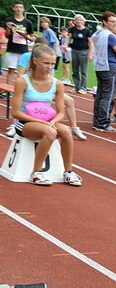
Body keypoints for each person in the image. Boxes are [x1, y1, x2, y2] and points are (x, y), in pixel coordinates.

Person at [10, 45, 81, 186]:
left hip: (48, 121)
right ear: (35, 61)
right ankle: (36, 172)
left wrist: (53, 121)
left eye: (53, 64)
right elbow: (16, 112)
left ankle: (68, 171)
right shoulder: (22, 81)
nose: (50, 67)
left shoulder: (57, 84)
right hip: (25, 123)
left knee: (66, 131)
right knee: (50, 132)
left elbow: (61, 111)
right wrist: (41, 122)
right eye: (46, 63)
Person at [92, 12, 116, 132]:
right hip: (110, 65)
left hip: (100, 66)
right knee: (107, 96)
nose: (115, 24)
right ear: (104, 22)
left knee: (100, 94)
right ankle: (103, 123)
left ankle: (97, 120)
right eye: (112, 22)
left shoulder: (97, 34)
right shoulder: (110, 36)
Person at [4, 1, 34, 85]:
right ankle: (8, 92)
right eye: (17, 7)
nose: (18, 9)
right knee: (11, 70)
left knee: (23, 72)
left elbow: (32, 38)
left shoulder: (28, 22)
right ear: (13, 8)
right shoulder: (9, 20)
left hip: (23, 50)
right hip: (12, 48)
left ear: (23, 9)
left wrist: (23, 35)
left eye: (21, 7)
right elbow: (7, 35)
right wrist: (8, 27)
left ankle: (22, 91)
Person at [67, 14, 93, 94]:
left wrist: (90, 54)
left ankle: (83, 87)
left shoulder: (87, 31)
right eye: (77, 20)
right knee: (75, 70)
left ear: (83, 21)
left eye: (80, 20)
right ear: (74, 21)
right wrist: (65, 45)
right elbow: (69, 38)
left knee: (83, 70)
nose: (78, 21)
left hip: (84, 52)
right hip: (74, 51)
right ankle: (76, 86)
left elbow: (90, 43)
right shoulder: (72, 29)